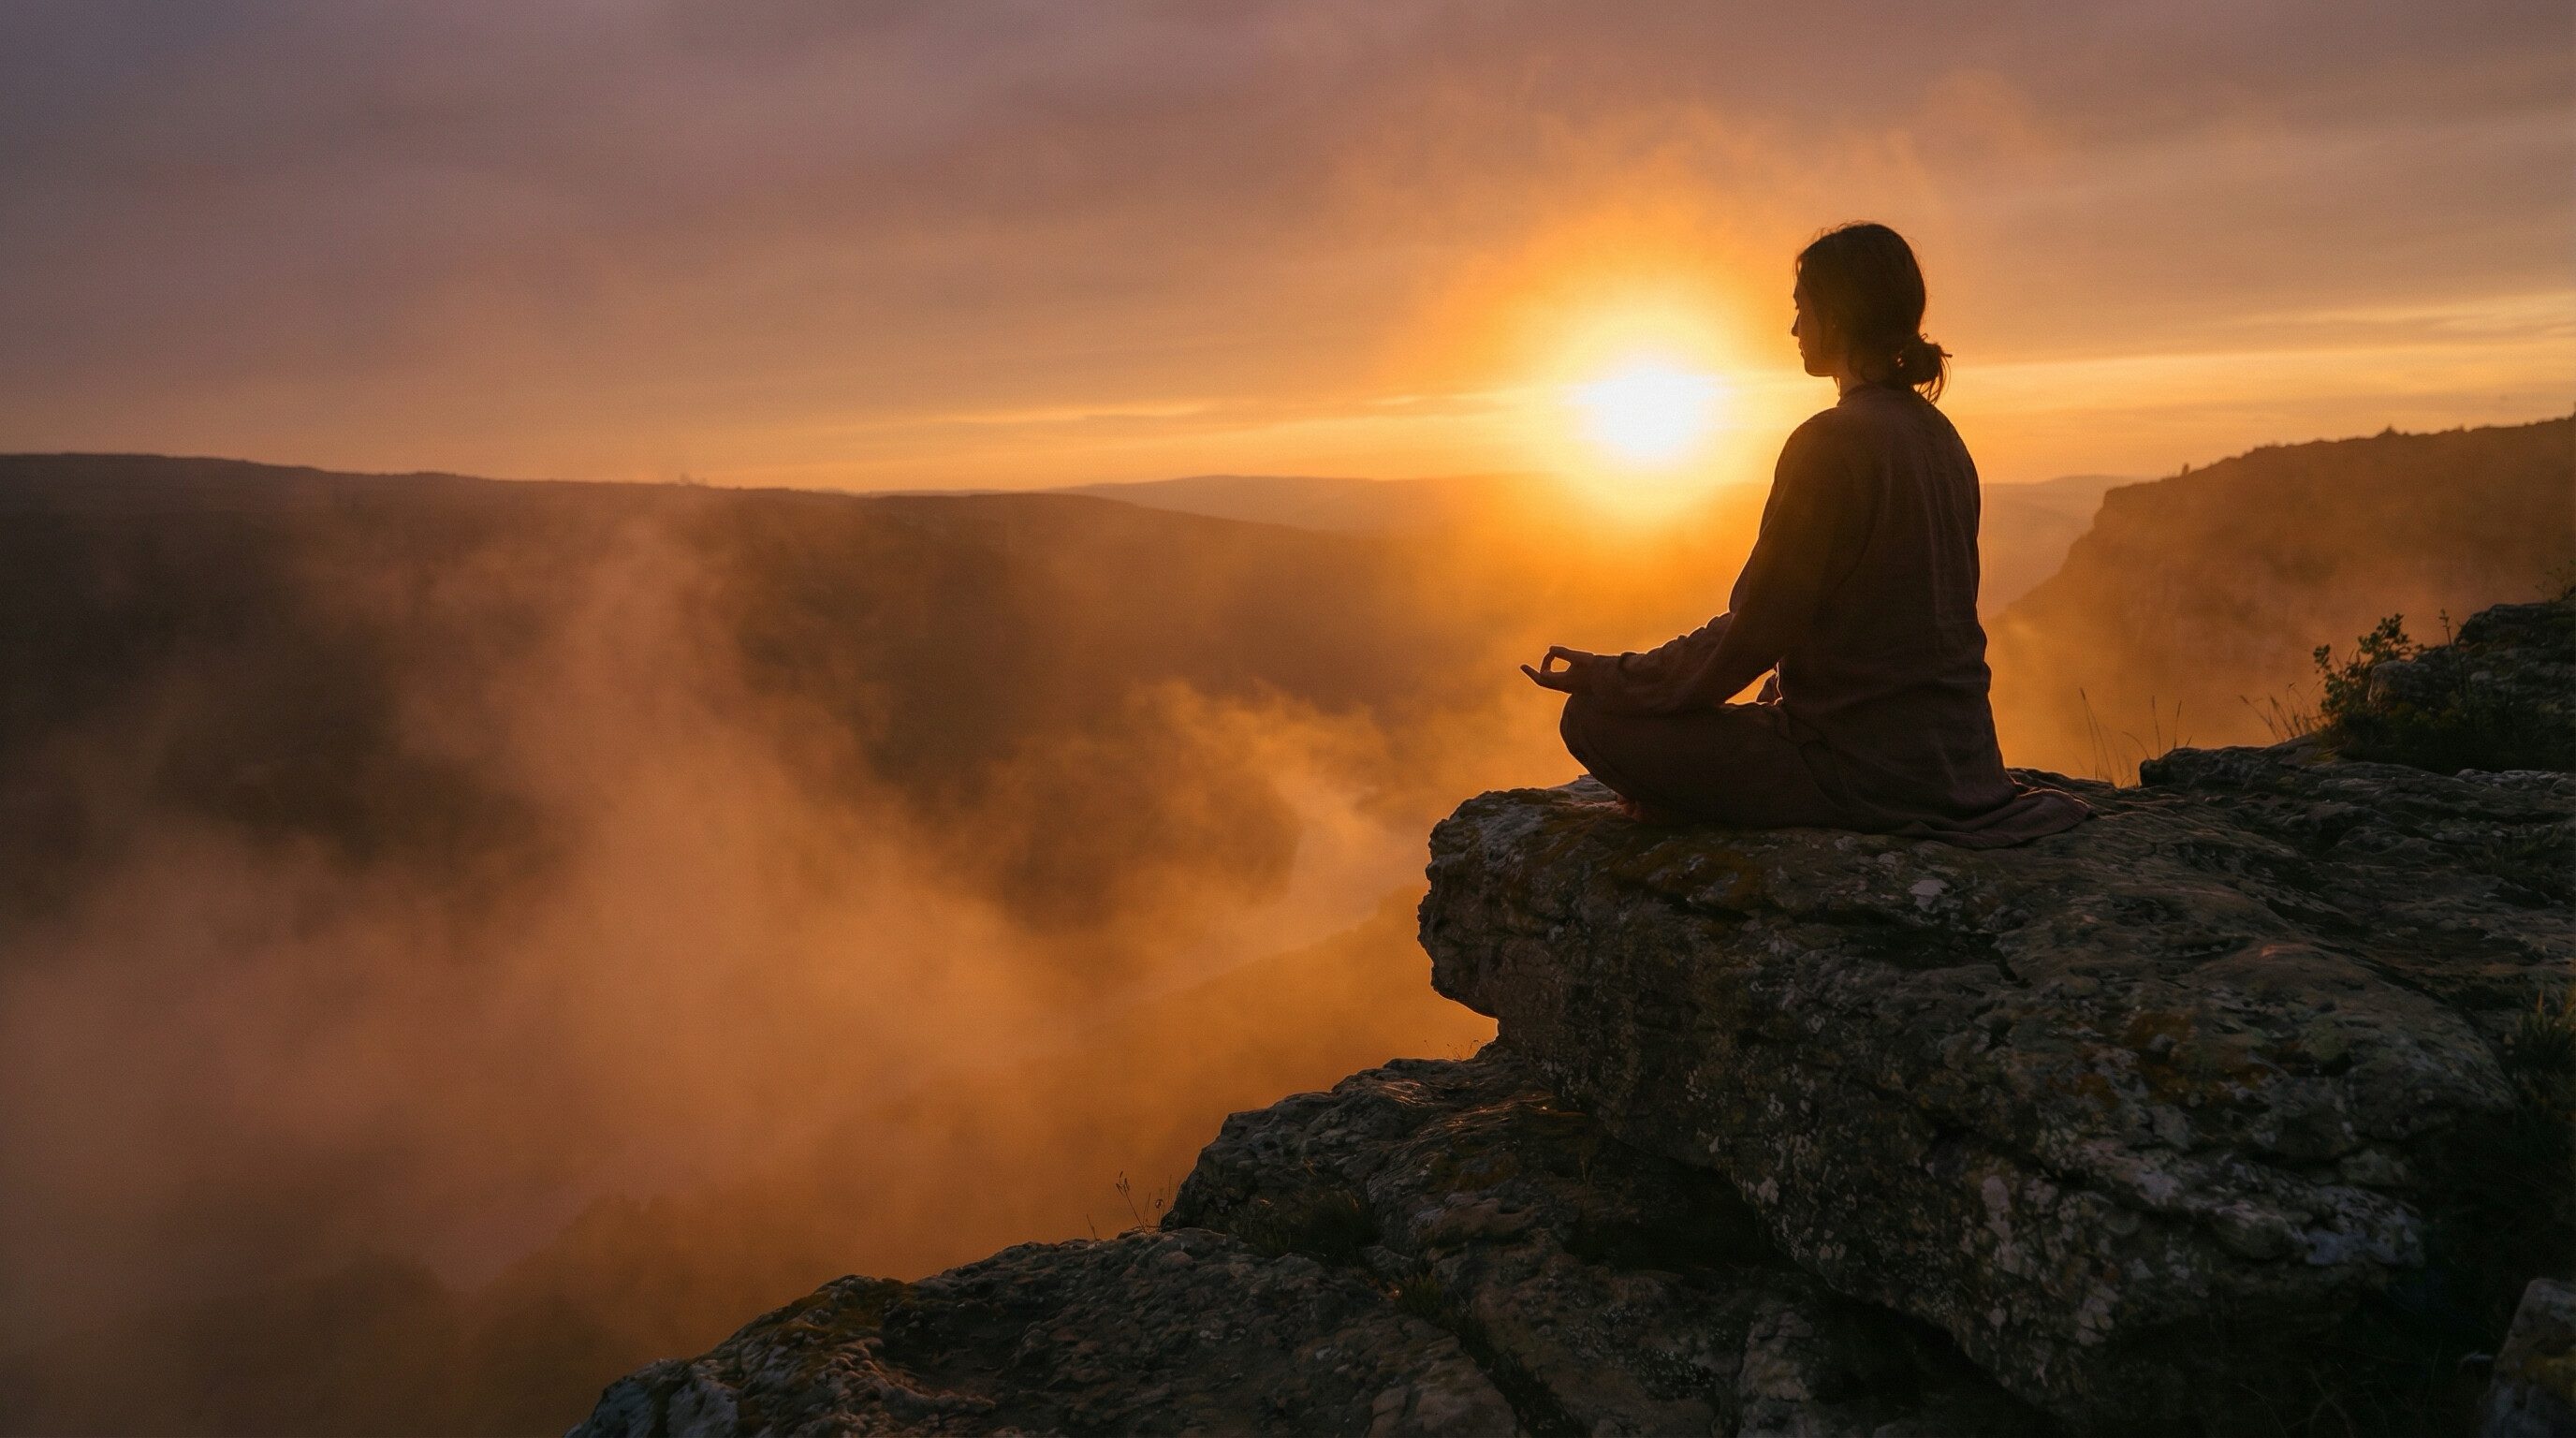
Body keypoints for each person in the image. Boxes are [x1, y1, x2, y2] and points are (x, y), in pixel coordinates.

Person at [1521, 222, 2088, 848]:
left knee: (1593, 723)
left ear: (1837, 317)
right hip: (1962, 762)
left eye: (1801, 309)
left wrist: (1615, 678)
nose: (1793, 330)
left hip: (1857, 772)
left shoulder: (1829, 443)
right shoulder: (1940, 438)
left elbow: (1753, 632)